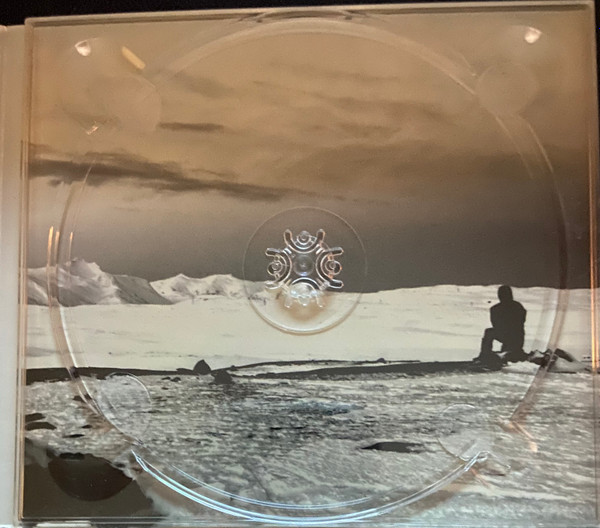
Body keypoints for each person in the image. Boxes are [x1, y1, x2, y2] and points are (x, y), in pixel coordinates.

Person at [477, 285, 528, 365]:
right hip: (513, 335)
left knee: (489, 332)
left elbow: (519, 322)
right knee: (490, 332)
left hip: (515, 336)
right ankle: (486, 354)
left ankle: (485, 355)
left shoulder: (498, 308)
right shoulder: (516, 306)